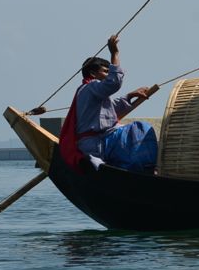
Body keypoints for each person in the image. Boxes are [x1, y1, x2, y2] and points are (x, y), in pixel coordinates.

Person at [58, 35, 158, 172]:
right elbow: (114, 82)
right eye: (105, 71)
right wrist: (114, 53)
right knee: (141, 129)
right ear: (92, 74)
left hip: (96, 143)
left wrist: (130, 96)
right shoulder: (91, 86)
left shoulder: (87, 91)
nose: (108, 74)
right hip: (98, 144)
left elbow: (108, 112)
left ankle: (121, 168)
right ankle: (144, 169)